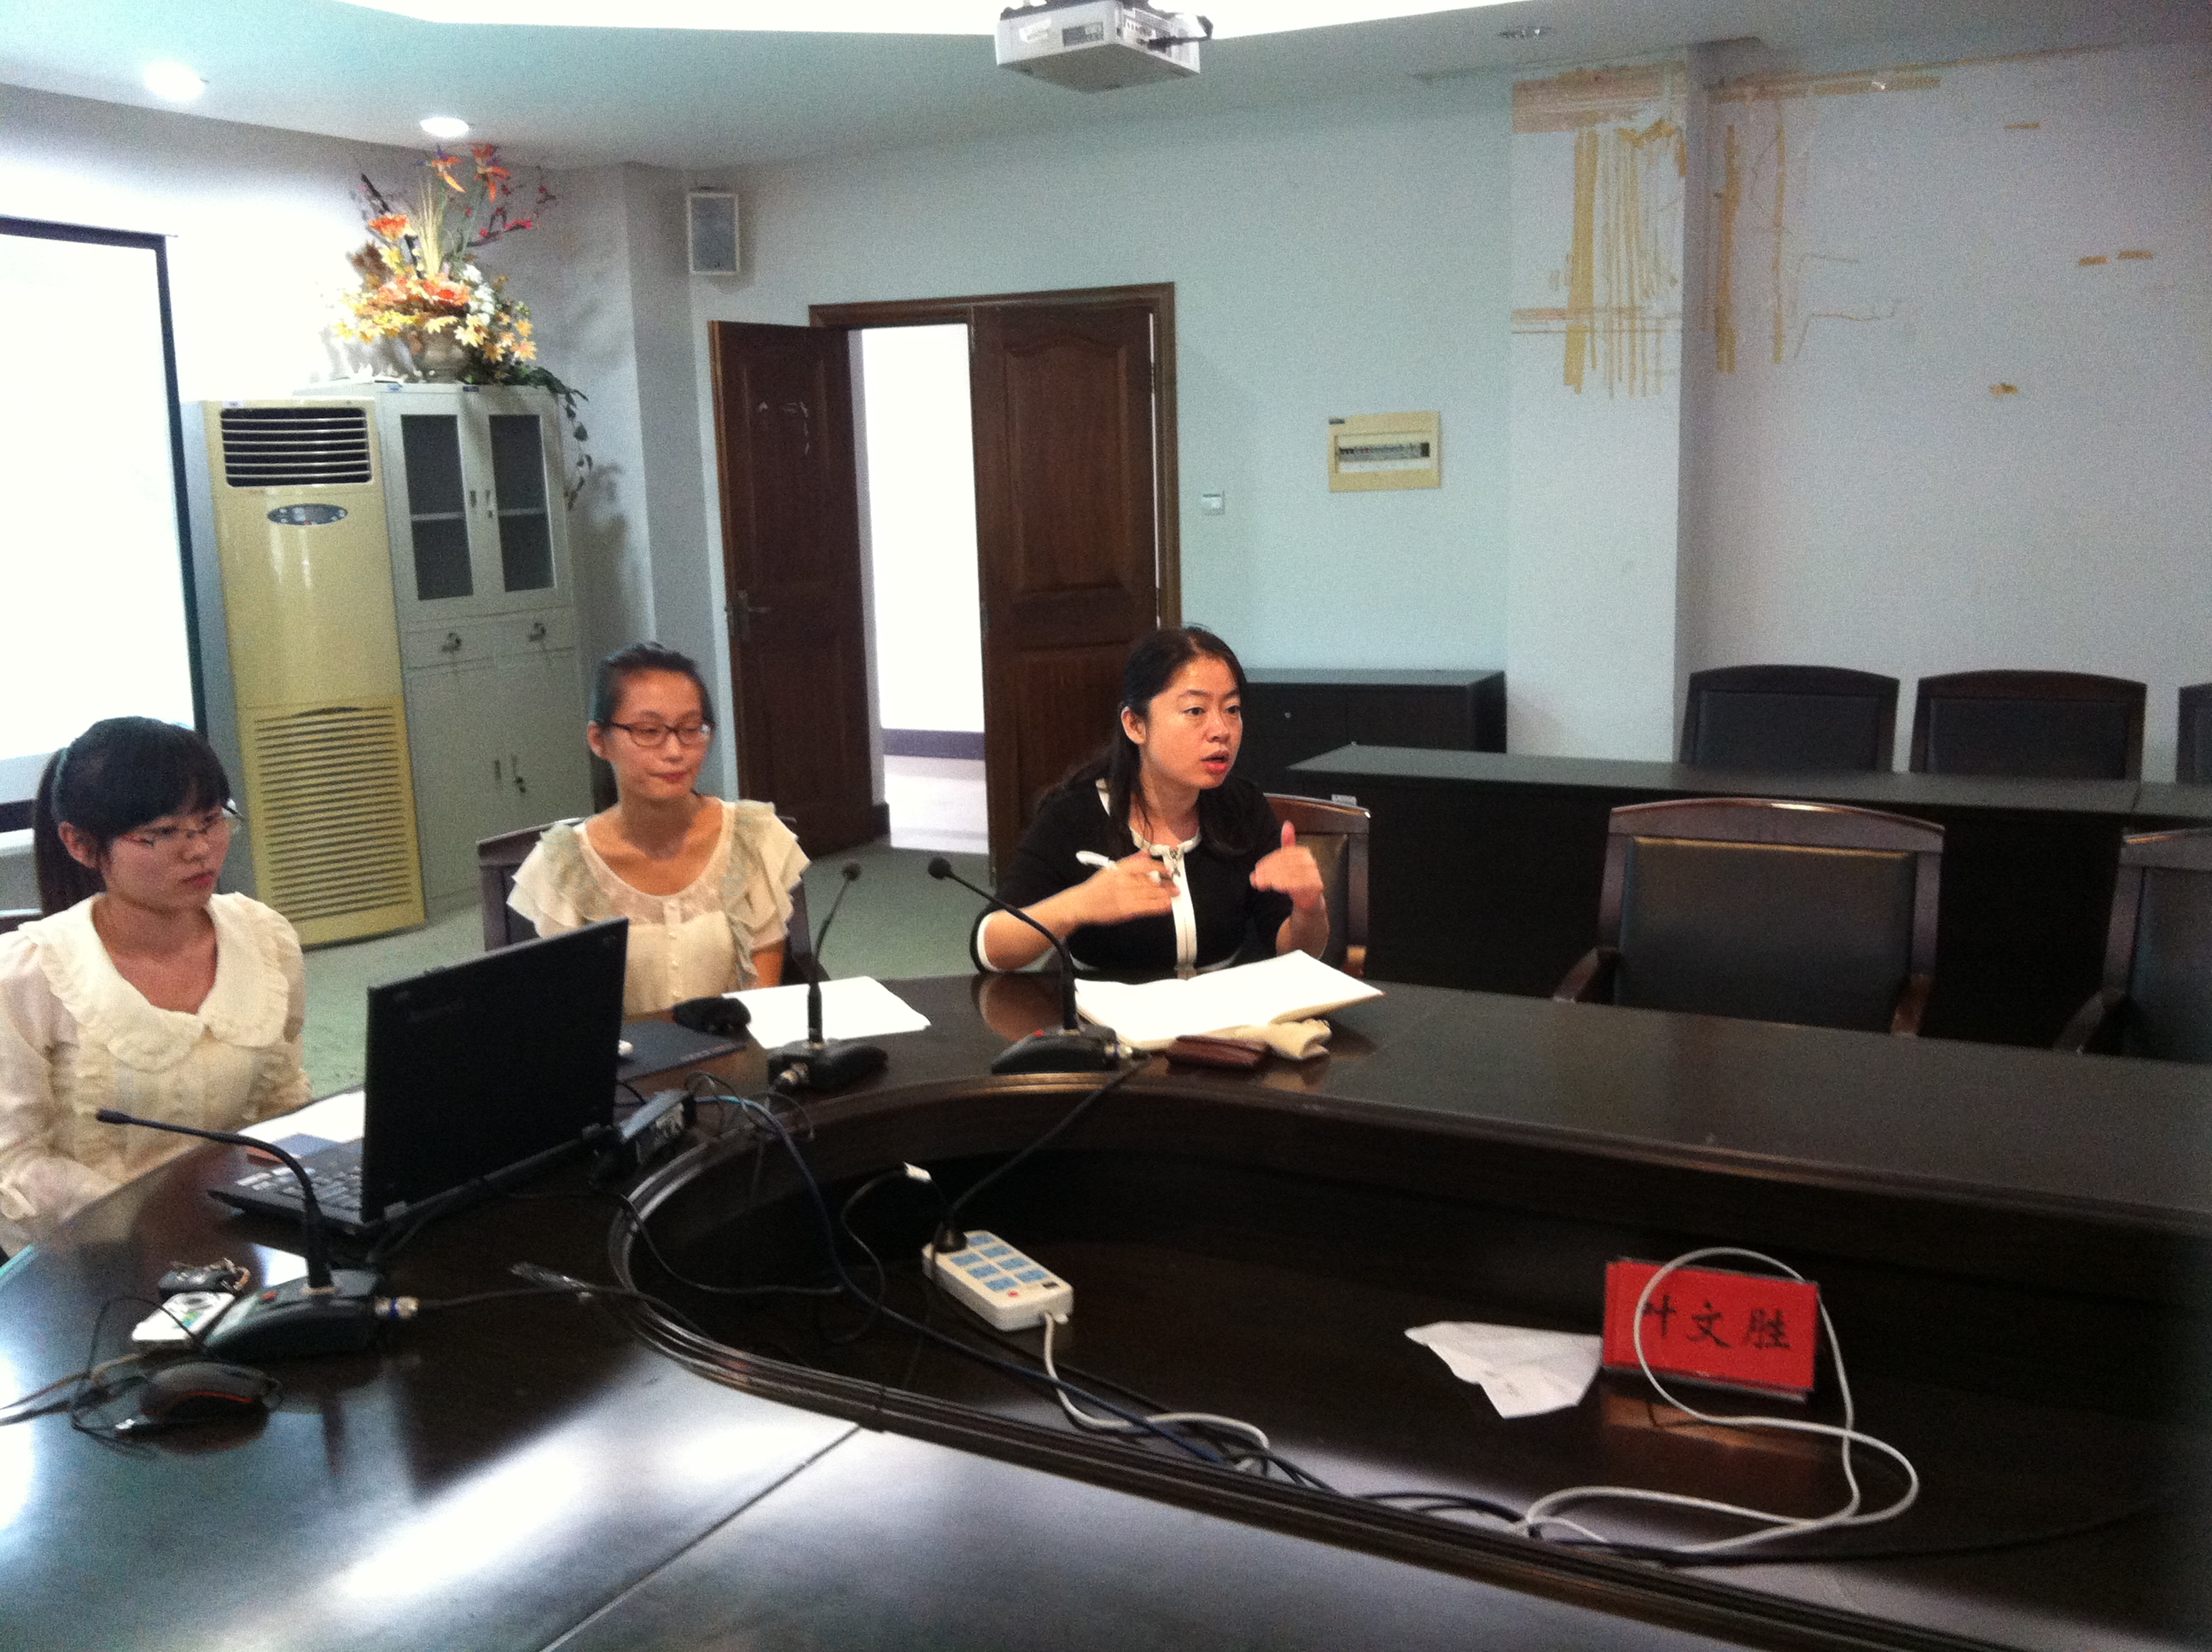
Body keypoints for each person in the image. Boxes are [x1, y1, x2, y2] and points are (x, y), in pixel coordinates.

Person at [0, 718, 308, 1254]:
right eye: (162, 833)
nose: (199, 850)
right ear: (80, 843)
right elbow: (13, 1163)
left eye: (211, 821)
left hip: (243, 1232)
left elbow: (280, 1096)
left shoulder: (264, 937)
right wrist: (155, 1219)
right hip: (97, 1251)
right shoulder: (27, 975)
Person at [976, 626, 1328, 980]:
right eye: (1195, 710)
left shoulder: (1243, 807)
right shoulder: (1073, 815)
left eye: (1232, 709)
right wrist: (1081, 903)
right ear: (1135, 725)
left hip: (1223, 1009)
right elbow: (989, 945)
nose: (1221, 730)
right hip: (1111, 1010)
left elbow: (1296, 951)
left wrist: (1308, 907)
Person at [509, 642, 807, 1017]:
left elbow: (762, 997)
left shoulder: (752, 836)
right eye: (649, 731)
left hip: (735, 1047)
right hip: (627, 1055)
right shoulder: (565, 864)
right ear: (599, 740)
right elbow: (574, 1013)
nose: (675, 751)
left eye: (691, 729)